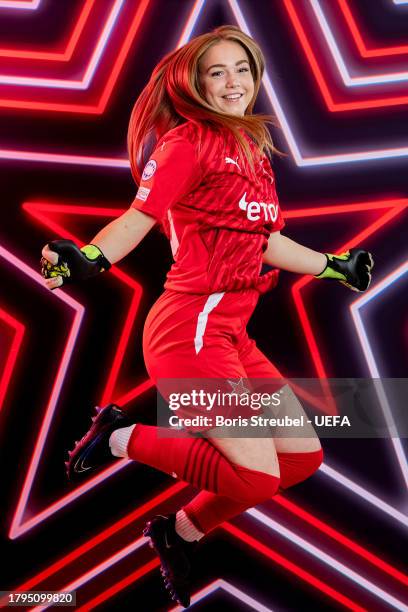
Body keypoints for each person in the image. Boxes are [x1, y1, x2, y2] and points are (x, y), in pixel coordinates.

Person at [41, 26, 373, 608]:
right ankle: (118, 436)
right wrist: (89, 257)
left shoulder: (252, 152)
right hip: (188, 332)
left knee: (301, 457)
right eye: (216, 72)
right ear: (195, 85)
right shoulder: (185, 145)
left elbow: (266, 239)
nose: (233, 83)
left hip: (230, 334)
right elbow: (137, 219)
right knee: (256, 476)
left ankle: (179, 531)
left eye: (241, 69)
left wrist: (333, 268)